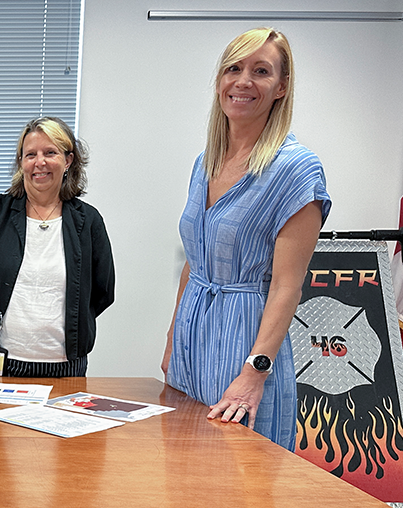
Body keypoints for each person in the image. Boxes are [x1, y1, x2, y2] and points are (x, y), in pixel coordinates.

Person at [161, 27, 330, 450]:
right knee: (183, 469)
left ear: (281, 87)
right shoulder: (206, 162)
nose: (243, 81)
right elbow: (194, 261)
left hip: (245, 341)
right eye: (233, 68)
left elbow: (287, 285)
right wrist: (171, 341)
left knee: (237, 473)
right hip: (191, 336)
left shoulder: (296, 170)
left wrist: (254, 373)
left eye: (261, 71)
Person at [0, 117, 115, 382]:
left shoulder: (89, 222)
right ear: (21, 163)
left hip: (66, 368)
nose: (40, 162)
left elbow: (102, 291)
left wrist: (72, 323)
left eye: (50, 153)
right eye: (30, 155)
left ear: (68, 160)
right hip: (0, 364)